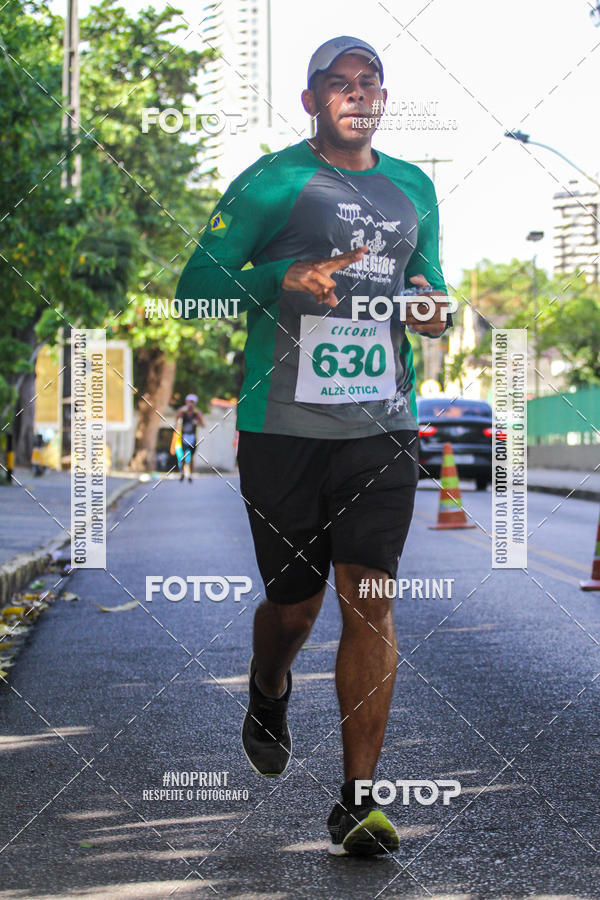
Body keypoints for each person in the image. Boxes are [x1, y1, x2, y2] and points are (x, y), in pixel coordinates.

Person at [176, 35, 451, 856]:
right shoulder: (274, 180)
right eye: (340, 84)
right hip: (283, 432)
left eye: (369, 83)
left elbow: (428, 280)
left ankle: (358, 801)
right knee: (294, 606)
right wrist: (277, 279)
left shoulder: (414, 188)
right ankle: (268, 684)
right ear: (311, 102)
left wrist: (434, 305)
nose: (356, 96)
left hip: (381, 426)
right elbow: (192, 294)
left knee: (370, 598)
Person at [175, 394, 205, 482]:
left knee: (191, 457)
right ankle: (182, 473)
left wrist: (197, 423)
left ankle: (190, 474)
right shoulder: (182, 411)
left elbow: (203, 424)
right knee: (183, 455)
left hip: (192, 437)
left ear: (195, 403)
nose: (190, 404)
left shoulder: (197, 412)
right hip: (184, 436)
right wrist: (177, 426)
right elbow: (176, 421)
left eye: (192, 402)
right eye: (189, 402)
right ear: (186, 402)